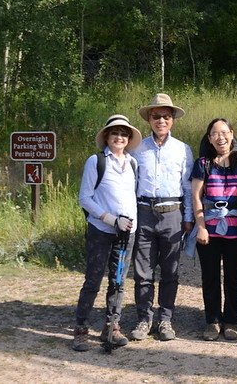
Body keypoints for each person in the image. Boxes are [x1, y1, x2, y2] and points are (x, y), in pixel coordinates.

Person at [73, 114, 142, 352]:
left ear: (129, 138)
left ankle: (112, 326)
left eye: (124, 134)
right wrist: (111, 219)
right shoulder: (96, 161)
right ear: (106, 136)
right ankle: (81, 329)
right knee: (93, 280)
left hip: (126, 234)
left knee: (118, 281)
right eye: (115, 133)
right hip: (101, 231)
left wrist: (129, 222)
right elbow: (85, 198)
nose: (119, 137)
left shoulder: (132, 163)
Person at [130, 93, 194, 342]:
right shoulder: (137, 149)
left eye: (166, 116)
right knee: (143, 272)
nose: (161, 121)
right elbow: (130, 184)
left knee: (171, 271)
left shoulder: (182, 149)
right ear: (149, 119)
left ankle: (165, 319)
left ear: (173, 120)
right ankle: (144, 319)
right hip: (144, 212)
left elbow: (187, 187)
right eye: (156, 116)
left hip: (172, 214)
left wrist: (188, 218)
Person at [187, 118, 237, 341]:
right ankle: (212, 321)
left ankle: (232, 321)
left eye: (224, 132)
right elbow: (196, 196)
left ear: (232, 134)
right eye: (215, 133)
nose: (220, 137)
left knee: (234, 277)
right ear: (209, 138)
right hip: (210, 229)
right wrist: (201, 227)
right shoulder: (202, 163)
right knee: (210, 277)